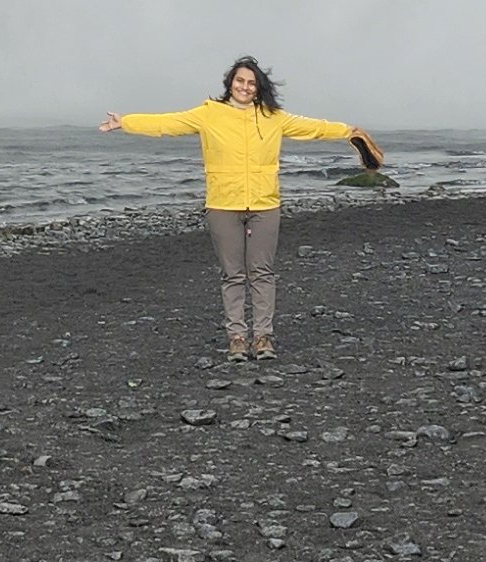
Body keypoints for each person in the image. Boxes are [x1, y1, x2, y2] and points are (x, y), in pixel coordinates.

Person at [100, 58, 383, 360]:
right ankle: (237, 337)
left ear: (257, 87)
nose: (245, 87)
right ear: (230, 83)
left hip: (265, 204)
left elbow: (313, 128)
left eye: (251, 83)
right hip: (223, 204)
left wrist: (348, 131)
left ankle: (262, 338)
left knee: (263, 273)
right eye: (240, 81)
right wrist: (126, 122)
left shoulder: (273, 117)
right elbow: (167, 123)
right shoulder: (209, 114)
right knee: (232, 274)